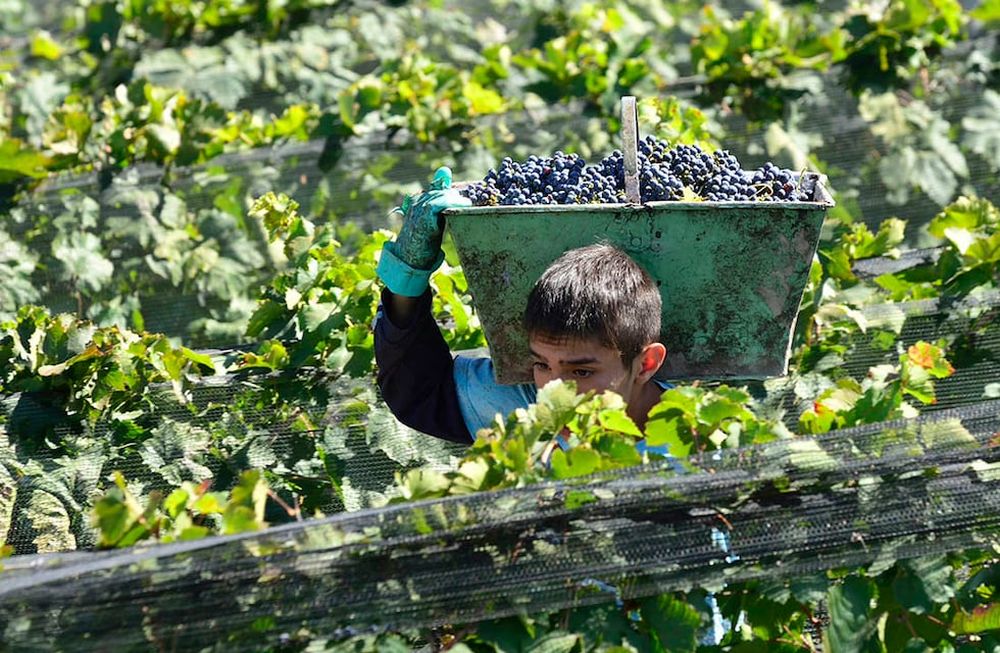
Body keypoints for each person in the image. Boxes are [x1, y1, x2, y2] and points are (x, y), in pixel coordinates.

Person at [374, 166, 669, 445]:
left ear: (645, 364)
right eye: (542, 364)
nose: (553, 392)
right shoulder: (526, 407)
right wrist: (407, 280)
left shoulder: (701, 436)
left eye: (581, 373)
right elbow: (421, 393)